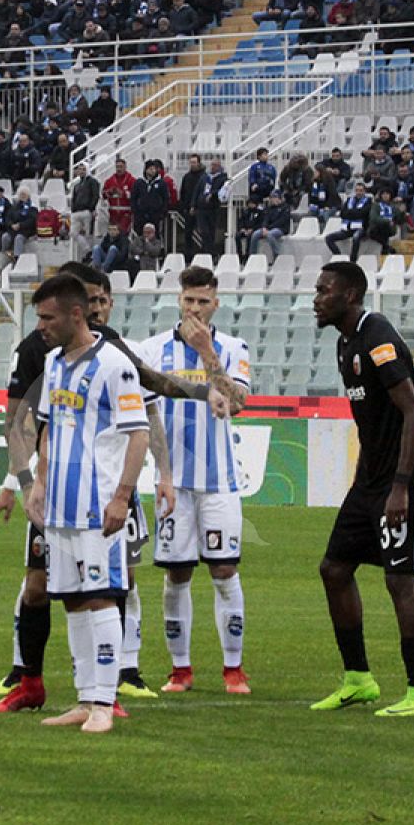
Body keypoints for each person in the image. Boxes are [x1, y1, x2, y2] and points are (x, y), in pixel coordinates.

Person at [310, 260, 414, 717]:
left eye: (323, 290)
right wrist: (364, 481)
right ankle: (358, 680)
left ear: (349, 295)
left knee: (398, 579)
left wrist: (399, 487)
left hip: (407, 476)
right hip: (370, 478)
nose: (316, 299)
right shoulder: (345, 343)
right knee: (334, 569)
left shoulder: (377, 337)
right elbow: (372, 423)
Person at [23, 274, 151, 734]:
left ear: (75, 314)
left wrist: (122, 497)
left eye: (47, 317)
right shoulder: (53, 363)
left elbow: (138, 434)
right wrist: (39, 482)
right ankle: (84, 697)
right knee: (73, 600)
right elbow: (48, 429)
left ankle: (104, 702)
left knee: (100, 597)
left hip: (98, 504)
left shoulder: (115, 364)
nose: (41, 326)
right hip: (60, 505)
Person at [138, 266, 254, 695]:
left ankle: (233, 669)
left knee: (224, 570)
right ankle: (180, 670)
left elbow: (237, 402)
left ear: (216, 304)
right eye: (189, 300)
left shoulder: (233, 348)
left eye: (203, 301)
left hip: (219, 481)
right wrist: (161, 473)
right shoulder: (152, 350)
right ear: (179, 300)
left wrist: (208, 353)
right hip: (173, 482)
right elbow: (148, 413)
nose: (195, 309)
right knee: (177, 574)